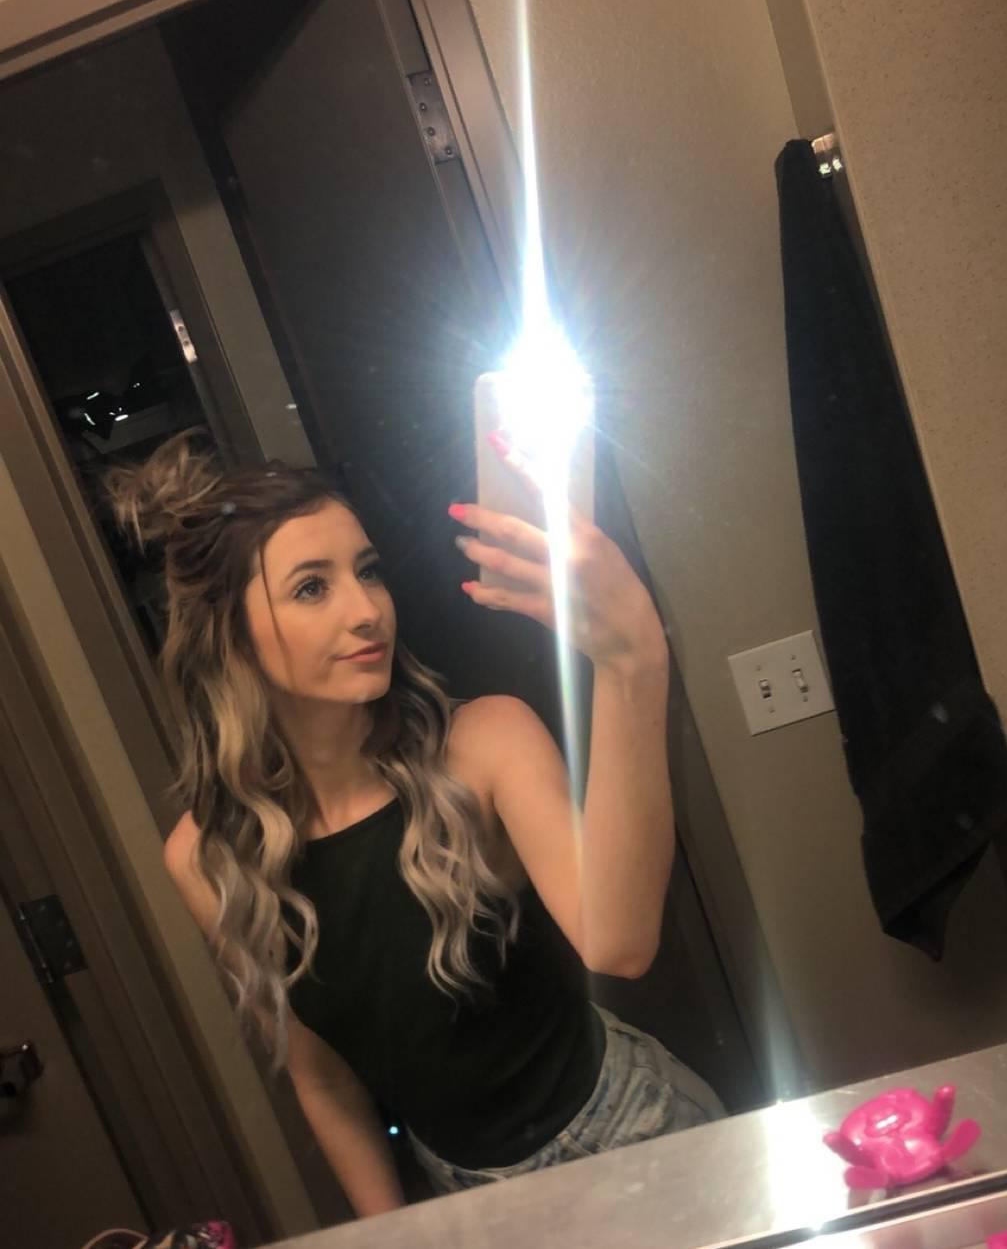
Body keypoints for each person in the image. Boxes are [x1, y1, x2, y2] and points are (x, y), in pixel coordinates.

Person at [107, 428, 723, 1218]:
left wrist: (631, 658)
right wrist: (392, 1232)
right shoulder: (207, 856)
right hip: (467, 1207)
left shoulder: (485, 743)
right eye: (312, 587)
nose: (367, 610)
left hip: (632, 1135)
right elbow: (322, 1079)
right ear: (230, 635)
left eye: (368, 571)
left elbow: (621, 942)